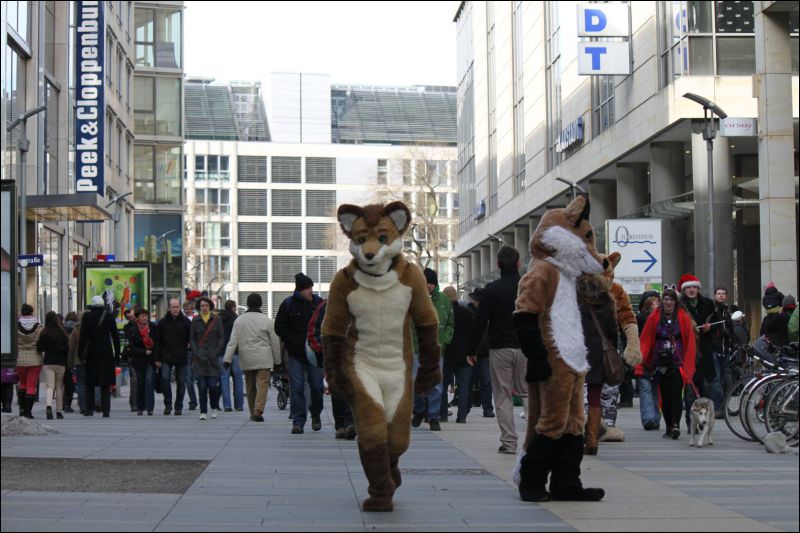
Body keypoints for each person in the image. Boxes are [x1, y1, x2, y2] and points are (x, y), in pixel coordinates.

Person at [467, 246, 527, 455]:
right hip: (526, 347)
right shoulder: (526, 287)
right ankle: (535, 441)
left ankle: (509, 442)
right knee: (529, 393)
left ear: (498, 265)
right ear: (518, 264)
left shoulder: (492, 290)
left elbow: (480, 321)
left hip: (500, 347)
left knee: (502, 395)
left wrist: (472, 349)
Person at [640, 286, 697, 440]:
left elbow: (690, 340)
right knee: (664, 397)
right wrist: (640, 359)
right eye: (665, 299)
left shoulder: (682, 316)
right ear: (662, 301)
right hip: (660, 363)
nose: (668, 302)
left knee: (676, 395)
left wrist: (689, 363)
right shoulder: (654, 317)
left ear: (675, 301)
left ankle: (676, 425)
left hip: (677, 362)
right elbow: (645, 339)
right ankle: (669, 426)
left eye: (671, 299)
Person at [275, 272, 323, 434]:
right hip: (296, 353)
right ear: (300, 290)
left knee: (317, 386)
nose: (311, 291)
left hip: (316, 353)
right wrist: (292, 340)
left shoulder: (320, 304)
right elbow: (279, 326)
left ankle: (316, 414)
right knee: (296, 387)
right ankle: (298, 421)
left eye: (311, 287)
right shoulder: (288, 304)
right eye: (308, 288)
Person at [576, 274, 619, 455]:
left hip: (578, 351)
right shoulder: (607, 305)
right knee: (595, 396)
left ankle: (576, 436)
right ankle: (592, 440)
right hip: (599, 353)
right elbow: (613, 332)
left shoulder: (577, 304)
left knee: (575, 395)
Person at [223, 293, 281, 422]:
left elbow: (232, 341)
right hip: (264, 358)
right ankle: (258, 410)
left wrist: (227, 359)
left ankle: (251, 411)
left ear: (248, 304)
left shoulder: (239, 320)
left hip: (246, 357)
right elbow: (275, 343)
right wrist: (277, 361)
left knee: (250, 386)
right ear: (260, 304)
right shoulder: (267, 320)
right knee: (263, 384)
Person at [411, 268, 453, 431]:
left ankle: (433, 416)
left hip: (436, 348)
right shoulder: (414, 299)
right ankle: (419, 410)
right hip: (417, 347)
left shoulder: (444, 300)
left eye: (431, 283)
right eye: (426, 283)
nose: (428, 286)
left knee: (437, 384)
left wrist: (446, 339)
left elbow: (450, 323)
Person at [308, 299, 355, 439]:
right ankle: (341, 424)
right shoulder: (326, 306)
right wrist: (321, 349)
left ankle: (348, 423)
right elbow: (313, 329)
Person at [678, 273, 716, 427]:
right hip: (688, 353)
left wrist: (710, 328)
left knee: (706, 389)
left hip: (705, 352)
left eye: (694, 287)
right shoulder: (679, 305)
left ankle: (704, 420)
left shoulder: (708, 304)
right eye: (689, 288)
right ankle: (690, 420)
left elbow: (717, 324)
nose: (692, 290)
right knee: (689, 392)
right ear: (684, 290)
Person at [77, 295, 121, 417]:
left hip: (92, 352)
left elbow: (83, 337)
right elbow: (116, 337)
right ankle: (106, 411)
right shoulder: (109, 316)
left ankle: (90, 409)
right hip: (106, 352)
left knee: (90, 383)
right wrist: (117, 355)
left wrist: (80, 354)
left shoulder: (87, 317)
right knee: (105, 384)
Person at [440, 286, 473, 423]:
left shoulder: (444, 314)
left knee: (443, 385)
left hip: (447, 354)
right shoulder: (467, 313)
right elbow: (472, 334)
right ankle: (462, 416)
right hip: (464, 354)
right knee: (464, 385)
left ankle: (442, 414)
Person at [190, 296, 224, 420]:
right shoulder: (195, 320)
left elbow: (221, 337)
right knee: (202, 386)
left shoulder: (216, 319)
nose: (204, 308)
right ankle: (203, 411)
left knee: (213, 386)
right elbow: (192, 338)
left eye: (206, 305)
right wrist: (196, 352)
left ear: (210, 307)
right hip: (200, 359)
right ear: (199, 308)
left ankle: (214, 407)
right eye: (202, 306)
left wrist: (217, 351)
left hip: (213, 359)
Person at [157, 298, 192, 416]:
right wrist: (157, 358)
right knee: (165, 379)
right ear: (169, 308)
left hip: (181, 356)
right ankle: (168, 404)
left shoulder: (186, 322)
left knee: (181, 382)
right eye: (173, 307)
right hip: (166, 355)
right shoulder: (162, 323)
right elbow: (158, 342)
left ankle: (178, 406)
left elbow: (191, 338)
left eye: (177, 307)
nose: (176, 309)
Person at [634, 291, 662, 430]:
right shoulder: (639, 319)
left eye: (656, 301)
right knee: (645, 389)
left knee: (656, 390)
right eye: (651, 301)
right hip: (642, 360)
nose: (654, 304)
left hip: (658, 359)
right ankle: (648, 419)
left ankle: (655, 418)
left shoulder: (664, 317)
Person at [125, 308, 159, 416]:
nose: (144, 318)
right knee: (140, 382)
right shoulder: (133, 329)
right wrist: (144, 351)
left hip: (151, 359)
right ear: (137, 318)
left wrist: (157, 359)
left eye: (146, 316)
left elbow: (158, 344)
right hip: (139, 359)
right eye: (142, 316)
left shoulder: (153, 327)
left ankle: (150, 407)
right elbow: (132, 347)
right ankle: (140, 406)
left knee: (149, 382)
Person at [466, 288, 494, 418]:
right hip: (474, 351)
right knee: (471, 381)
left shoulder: (487, 312)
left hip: (484, 352)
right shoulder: (469, 312)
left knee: (485, 381)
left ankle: (487, 408)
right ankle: (465, 408)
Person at [37, 311, 69, 420]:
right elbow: (67, 348)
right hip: (60, 363)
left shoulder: (44, 332)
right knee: (59, 386)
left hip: (48, 362)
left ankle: (49, 406)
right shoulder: (62, 332)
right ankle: (59, 412)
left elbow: (39, 347)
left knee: (50, 386)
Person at [707, 287, 733, 415]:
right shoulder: (712, 310)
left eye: (723, 294)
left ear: (726, 296)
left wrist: (732, 343)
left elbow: (731, 329)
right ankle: (717, 407)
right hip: (714, 349)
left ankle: (720, 405)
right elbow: (707, 327)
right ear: (714, 295)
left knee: (723, 379)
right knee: (716, 379)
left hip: (725, 349)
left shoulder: (727, 312)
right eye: (719, 294)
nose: (721, 296)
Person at [16, 304, 43, 418]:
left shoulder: (16, 326)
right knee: (31, 385)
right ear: (32, 312)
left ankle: (22, 409)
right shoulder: (39, 327)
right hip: (35, 359)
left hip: (20, 358)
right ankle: (28, 412)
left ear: (22, 312)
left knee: (22, 383)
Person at [219, 300, 244, 412]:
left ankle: (227, 405)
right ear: (233, 308)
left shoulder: (218, 319)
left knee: (224, 379)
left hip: (222, 352)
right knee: (238, 379)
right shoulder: (237, 319)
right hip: (236, 352)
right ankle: (239, 405)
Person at [182, 299, 199, 410]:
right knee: (189, 379)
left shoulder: (197, 319)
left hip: (197, 351)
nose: (187, 311)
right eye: (186, 309)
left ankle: (199, 399)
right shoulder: (182, 320)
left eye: (189, 309)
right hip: (187, 351)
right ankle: (193, 401)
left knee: (197, 378)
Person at [61, 311, 79, 413]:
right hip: (72, 358)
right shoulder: (76, 329)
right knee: (71, 382)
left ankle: (62, 403)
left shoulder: (62, 328)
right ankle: (68, 404)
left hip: (62, 358)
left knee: (62, 383)